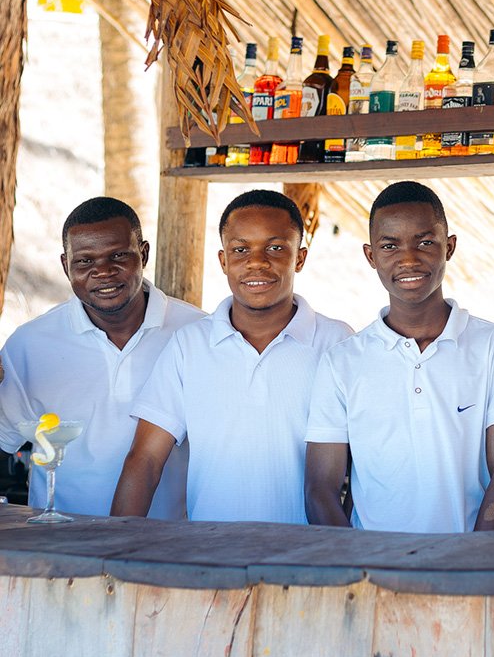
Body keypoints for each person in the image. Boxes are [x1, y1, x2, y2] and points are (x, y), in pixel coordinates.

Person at [111, 190, 352, 523]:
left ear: (300, 257)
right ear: (224, 261)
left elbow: (366, 459)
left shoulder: (337, 342)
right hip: (210, 555)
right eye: (241, 249)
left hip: (306, 557)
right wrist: (114, 547)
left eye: (276, 247)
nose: (257, 262)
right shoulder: (189, 345)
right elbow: (146, 459)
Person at [304, 181, 494, 532]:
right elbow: (320, 489)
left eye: (425, 242)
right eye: (390, 246)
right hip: (370, 567)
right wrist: (356, 564)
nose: (408, 259)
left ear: (449, 247)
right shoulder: (342, 361)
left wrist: (474, 558)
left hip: (469, 561)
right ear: (370, 256)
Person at [0, 197, 203, 517]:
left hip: (172, 544)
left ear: (144, 254)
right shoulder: (29, 344)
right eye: (84, 262)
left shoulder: (199, 334)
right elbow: (4, 443)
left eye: (119, 255)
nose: (104, 272)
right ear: (66, 266)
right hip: (60, 544)